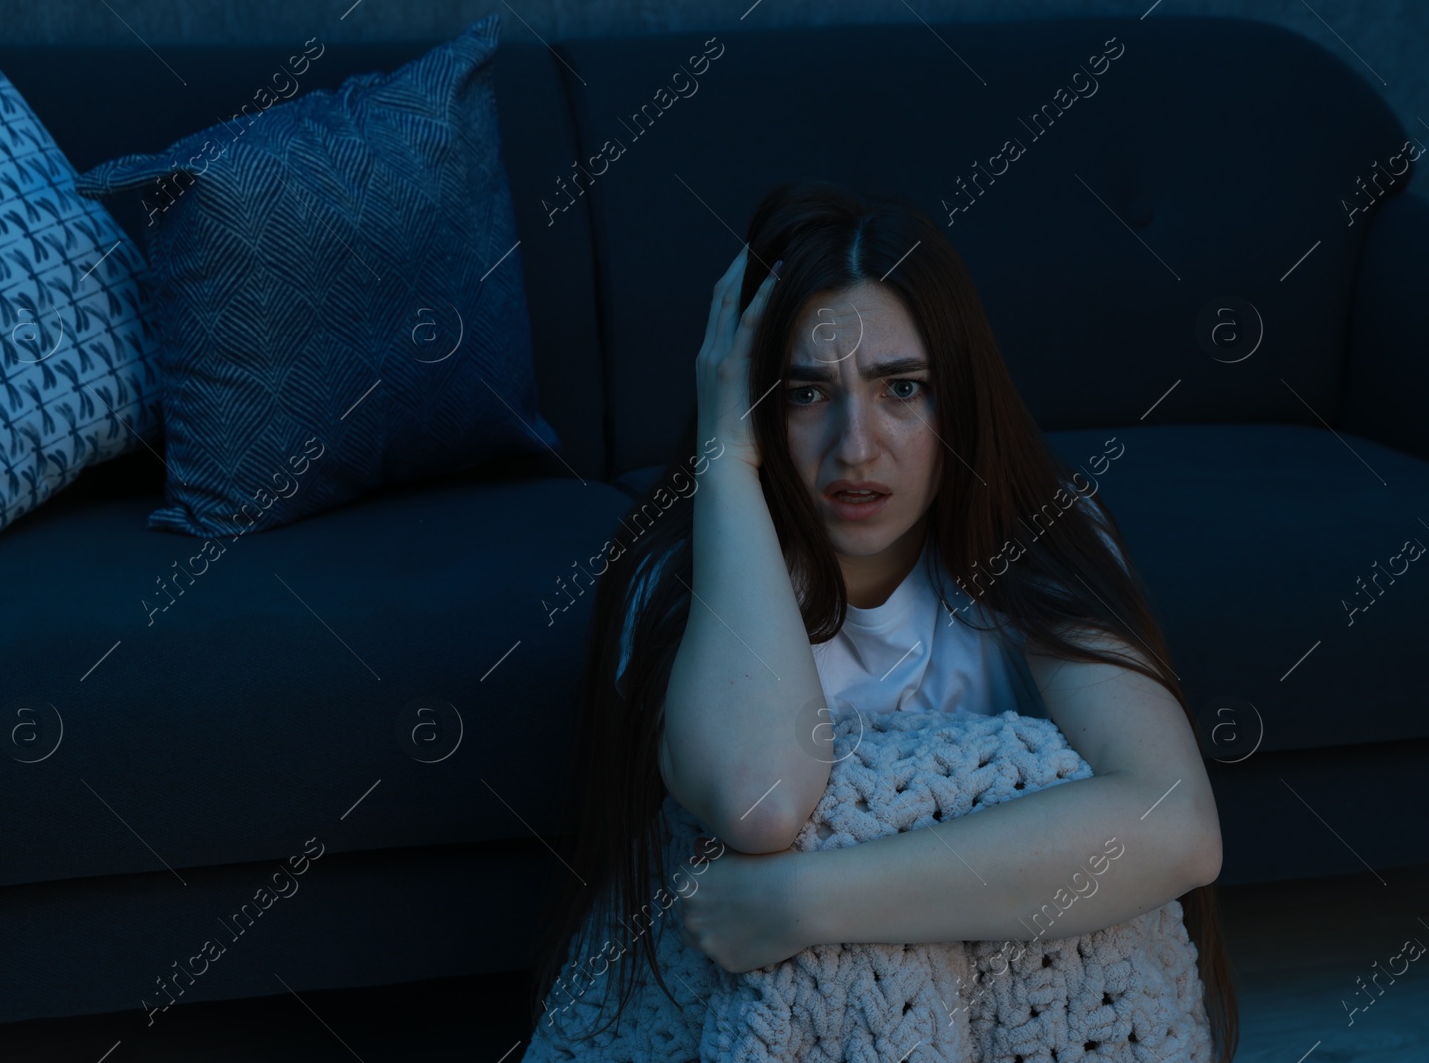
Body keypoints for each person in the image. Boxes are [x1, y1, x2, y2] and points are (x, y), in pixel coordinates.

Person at [528, 180, 1237, 1062]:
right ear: (749, 404)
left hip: (1010, 1007)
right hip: (763, 1014)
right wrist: (724, 467)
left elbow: (1176, 825)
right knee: (900, 817)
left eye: (902, 388)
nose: (855, 447)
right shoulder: (681, 579)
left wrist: (805, 900)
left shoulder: (1044, 537)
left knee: (957, 806)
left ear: (961, 401)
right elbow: (761, 802)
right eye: (805, 394)